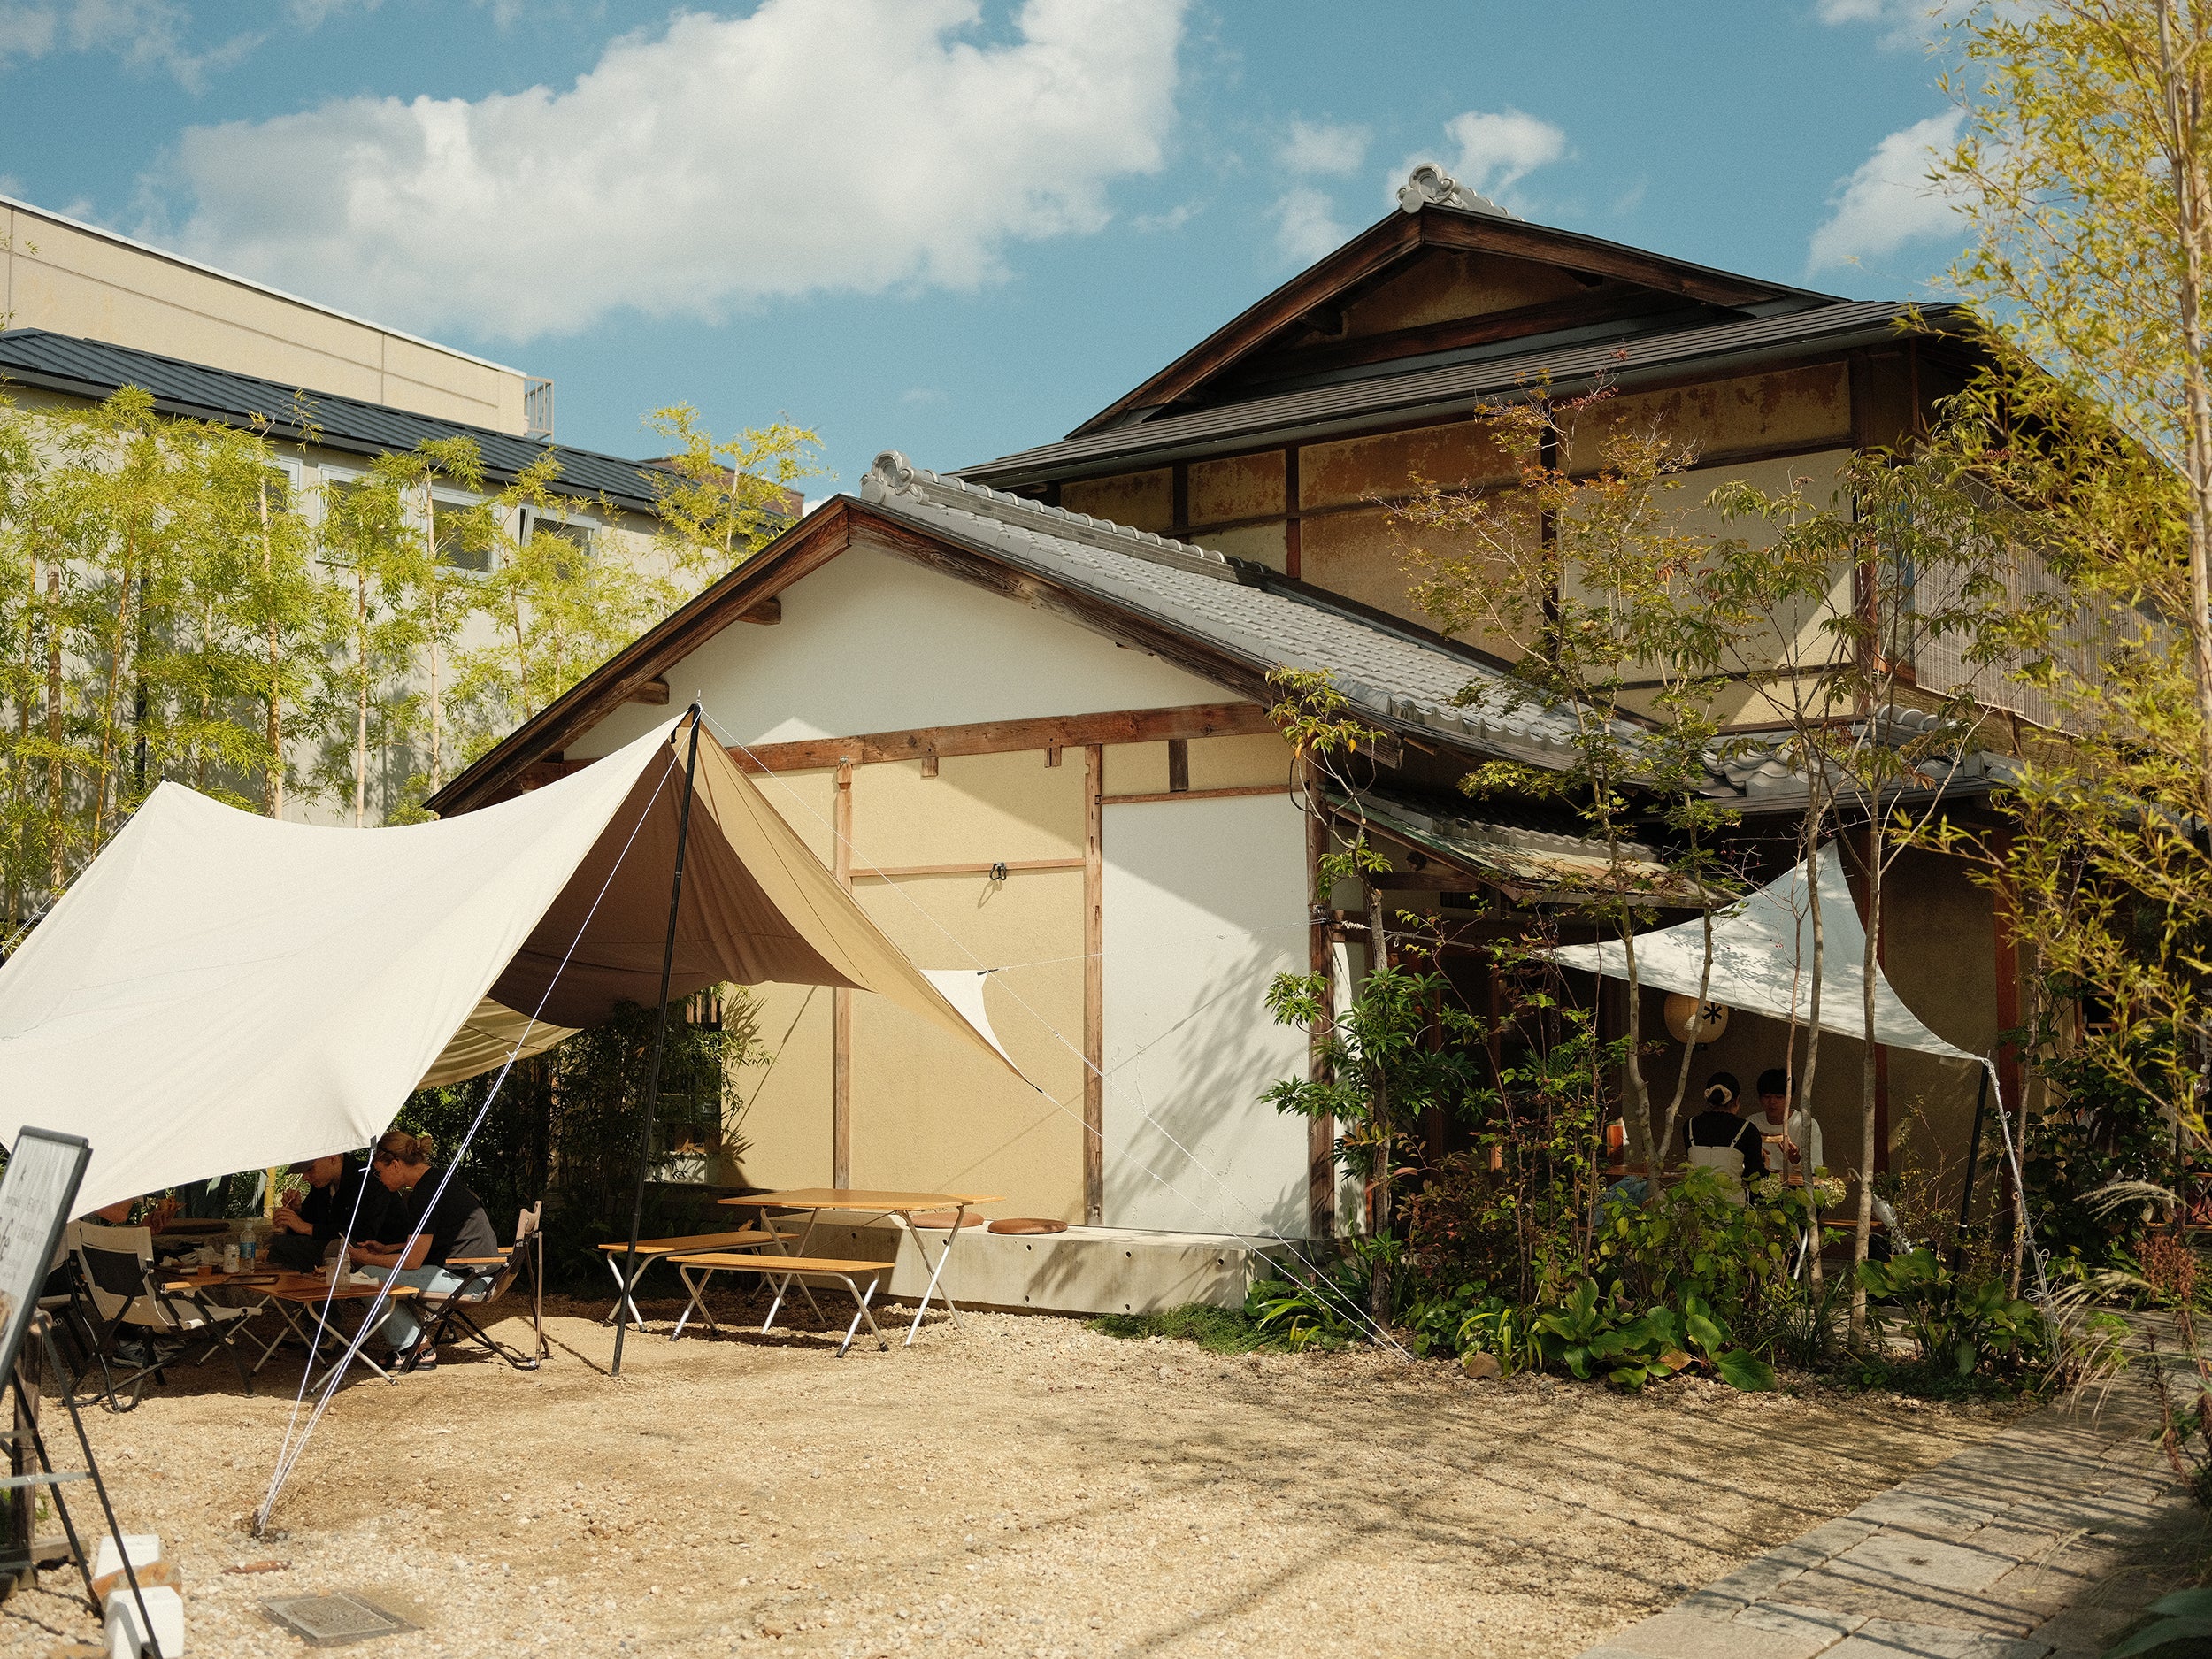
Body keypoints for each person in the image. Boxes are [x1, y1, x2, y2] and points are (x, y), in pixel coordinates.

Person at [348, 1131, 499, 1370]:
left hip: (471, 1281)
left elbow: (412, 1261)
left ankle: (415, 1348)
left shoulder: (426, 1193)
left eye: (380, 1171)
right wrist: (386, 1249)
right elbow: (432, 1241)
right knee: (375, 1272)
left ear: (395, 1165)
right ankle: (416, 1342)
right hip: (479, 1274)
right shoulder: (436, 1180)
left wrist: (366, 1258)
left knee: (364, 1277)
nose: (380, 1178)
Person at [269, 1152, 393, 1271]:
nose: (305, 1178)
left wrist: (308, 1228)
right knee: (278, 1244)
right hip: (334, 1251)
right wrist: (297, 1211)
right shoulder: (322, 1185)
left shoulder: (369, 1179)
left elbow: (362, 1234)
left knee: (284, 1247)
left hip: (373, 1255)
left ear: (332, 1159)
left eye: (310, 1169)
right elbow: (312, 1226)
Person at [1682, 1071, 1767, 1187]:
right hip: (1731, 1203)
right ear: (1737, 1100)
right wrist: (1765, 1166)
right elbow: (1753, 1175)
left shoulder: (1690, 1125)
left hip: (1695, 1201)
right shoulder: (1747, 1129)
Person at [1753, 1067, 1824, 1179]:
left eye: (1779, 1097)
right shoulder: (1752, 1123)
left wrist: (1796, 1159)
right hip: (1761, 1186)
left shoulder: (1805, 1124)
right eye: (1767, 1097)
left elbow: (1816, 1168)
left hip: (1797, 1190)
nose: (1772, 1102)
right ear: (1759, 1098)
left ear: (1790, 1098)